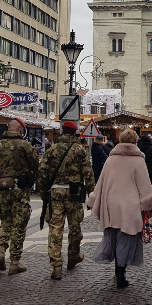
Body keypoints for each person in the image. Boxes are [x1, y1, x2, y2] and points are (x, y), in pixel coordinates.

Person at [88, 128, 152, 289]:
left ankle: (117, 272)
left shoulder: (111, 159)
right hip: (130, 206)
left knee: (112, 237)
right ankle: (121, 275)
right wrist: (149, 204)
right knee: (125, 240)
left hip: (110, 204)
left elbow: (101, 182)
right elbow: (145, 187)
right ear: (135, 142)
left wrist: (94, 200)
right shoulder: (138, 160)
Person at [38, 120, 95, 280]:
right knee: (75, 228)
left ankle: (56, 265)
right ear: (75, 133)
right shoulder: (79, 150)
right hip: (74, 194)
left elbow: (42, 171)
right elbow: (88, 173)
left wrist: (43, 192)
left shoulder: (52, 149)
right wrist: (92, 193)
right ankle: (72, 256)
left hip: (55, 192)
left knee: (55, 228)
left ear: (62, 132)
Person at [0, 117, 39, 274]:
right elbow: (36, 165)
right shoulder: (24, 146)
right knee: (19, 224)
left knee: (5, 223)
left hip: (2, 189)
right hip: (19, 189)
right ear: (19, 130)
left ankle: (1, 251)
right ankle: (15, 262)